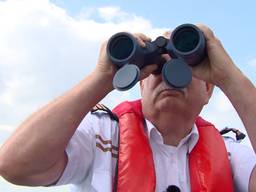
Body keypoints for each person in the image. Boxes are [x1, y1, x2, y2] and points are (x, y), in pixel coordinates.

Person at [0, 24, 255, 192]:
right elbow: (15, 165)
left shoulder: (229, 153)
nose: (166, 76)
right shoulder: (102, 134)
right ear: (141, 85)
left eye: (182, 68)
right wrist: (100, 78)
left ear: (208, 90)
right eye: (156, 69)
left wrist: (230, 77)